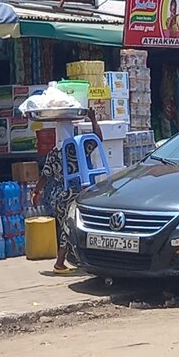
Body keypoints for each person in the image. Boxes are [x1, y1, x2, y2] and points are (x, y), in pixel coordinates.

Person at [32, 108, 103, 275]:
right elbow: (98, 138)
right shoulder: (79, 148)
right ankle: (59, 262)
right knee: (68, 227)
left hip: (58, 195)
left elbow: (44, 175)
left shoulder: (53, 153)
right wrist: (93, 119)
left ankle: (70, 260)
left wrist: (36, 192)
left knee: (67, 226)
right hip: (72, 193)